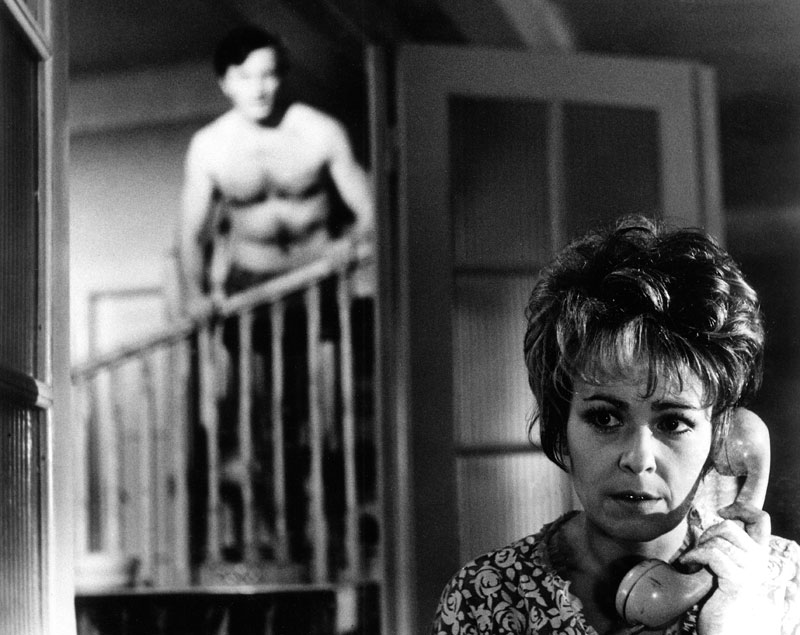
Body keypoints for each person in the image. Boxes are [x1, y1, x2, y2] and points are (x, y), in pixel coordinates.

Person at [432, 216, 800, 634]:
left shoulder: (785, 585)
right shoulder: (485, 597)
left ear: (720, 437)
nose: (639, 459)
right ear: (561, 425)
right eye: (605, 418)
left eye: (673, 422)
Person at [178, 23, 374, 311]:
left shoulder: (320, 131)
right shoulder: (209, 147)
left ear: (280, 76)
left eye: (267, 75)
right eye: (244, 77)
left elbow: (371, 208)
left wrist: (351, 241)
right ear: (224, 83)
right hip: (249, 286)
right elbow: (191, 233)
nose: (258, 90)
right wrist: (195, 294)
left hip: (319, 275)